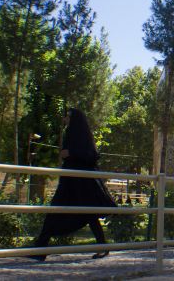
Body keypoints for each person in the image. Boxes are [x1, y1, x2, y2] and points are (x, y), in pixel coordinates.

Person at [31, 108, 116, 261]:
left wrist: (71, 153)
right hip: (68, 182)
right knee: (55, 211)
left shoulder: (84, 136)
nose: (66, 119)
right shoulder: (69, 133)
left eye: (68, 116)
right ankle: (40, 248)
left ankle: (103, 247)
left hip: (82, 184)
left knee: (89, 214)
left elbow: (92, 156)